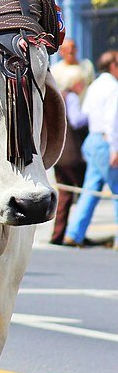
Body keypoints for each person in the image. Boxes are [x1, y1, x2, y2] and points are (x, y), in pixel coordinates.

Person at [64, 50, 118, 248]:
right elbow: (113, 121)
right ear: (112, 66)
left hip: (93, 139)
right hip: (106, 140)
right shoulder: (113, 87)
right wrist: (115, 148)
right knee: (116, 191)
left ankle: (74, 233)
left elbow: (85, 112)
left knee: (90, 190)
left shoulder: (94, 86)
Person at [49, 68, 89, 245]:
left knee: (65, 195)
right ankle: (75, 232)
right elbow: (76, 120)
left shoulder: (59, 95)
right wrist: (91, 115)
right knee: (84, 193)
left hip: (60, 154)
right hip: (72, 155)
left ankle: (58, 234)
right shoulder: (71, 97)